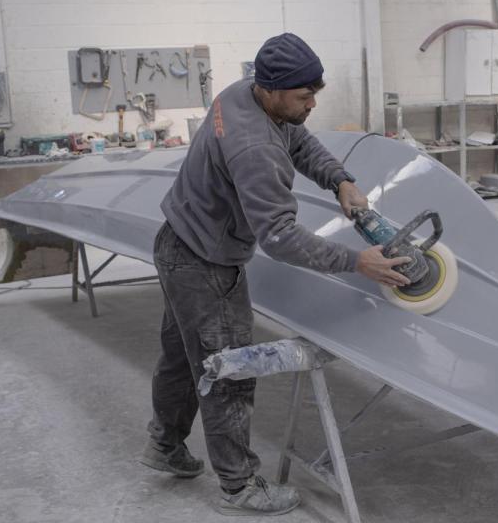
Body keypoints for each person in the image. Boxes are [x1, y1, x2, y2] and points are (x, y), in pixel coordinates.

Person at [139, 32, 410, 516]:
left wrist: (340, 179)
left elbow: (300, 140)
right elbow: (280, 238)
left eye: (314, 95)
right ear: (272, 91)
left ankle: (163, 446)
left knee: (183, 357)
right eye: (304, 96)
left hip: (177, 242)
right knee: (230, 373)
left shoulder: (246, 93)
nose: (311, 105)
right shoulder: (253, 148)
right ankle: (239, 486)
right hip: (205, 262)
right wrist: (357, 262)